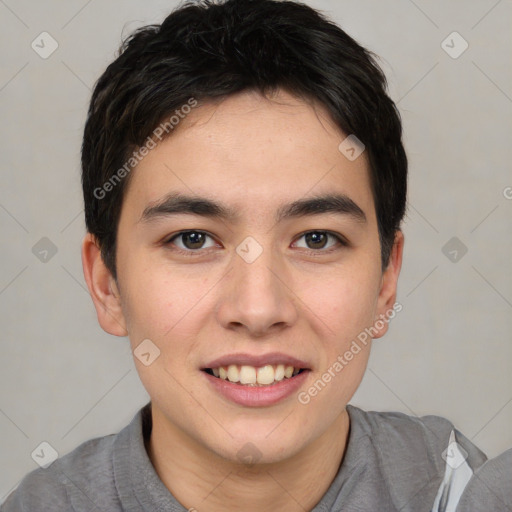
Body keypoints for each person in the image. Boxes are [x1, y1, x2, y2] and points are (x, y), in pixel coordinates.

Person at [1, 0, 509, 510]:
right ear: (107, 284)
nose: (259, 309)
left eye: (316, 239)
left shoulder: (461, 492)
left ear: (385, 281)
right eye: (193, 239)